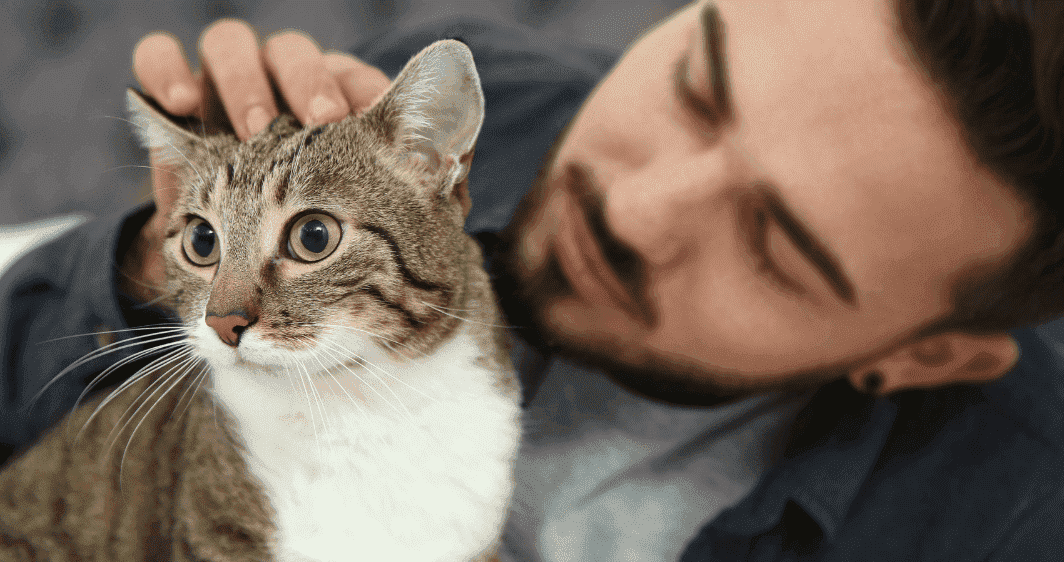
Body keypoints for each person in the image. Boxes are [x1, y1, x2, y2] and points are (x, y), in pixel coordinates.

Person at [1, 0, 1062, 559]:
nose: (634, 208)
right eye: (696, 86)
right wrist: (167, 252)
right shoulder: (485, 97)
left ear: (920, 353)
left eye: (774, 245)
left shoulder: (1005, 520)